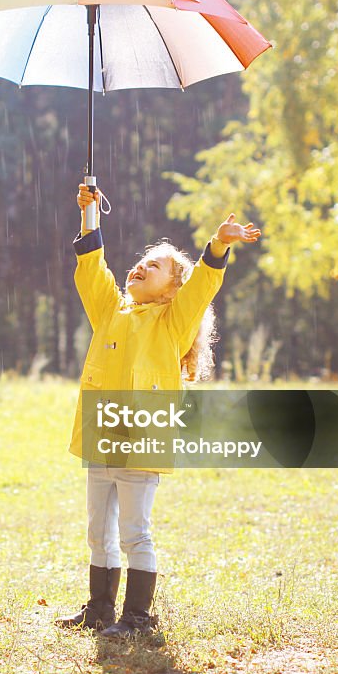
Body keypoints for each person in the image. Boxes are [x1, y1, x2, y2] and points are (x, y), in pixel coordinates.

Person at [55, 184, 260, 638]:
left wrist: (220, 244)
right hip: (102, 435)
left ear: (172, 291)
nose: (141, 267)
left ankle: (138, 617)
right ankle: (100, 609)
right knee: (97, 532)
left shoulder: (172, 322)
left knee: (134, 532)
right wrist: (91, 219)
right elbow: (92, 273)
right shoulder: (112, 312)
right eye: (141, 262)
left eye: (156, 266)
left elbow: (204, 283)